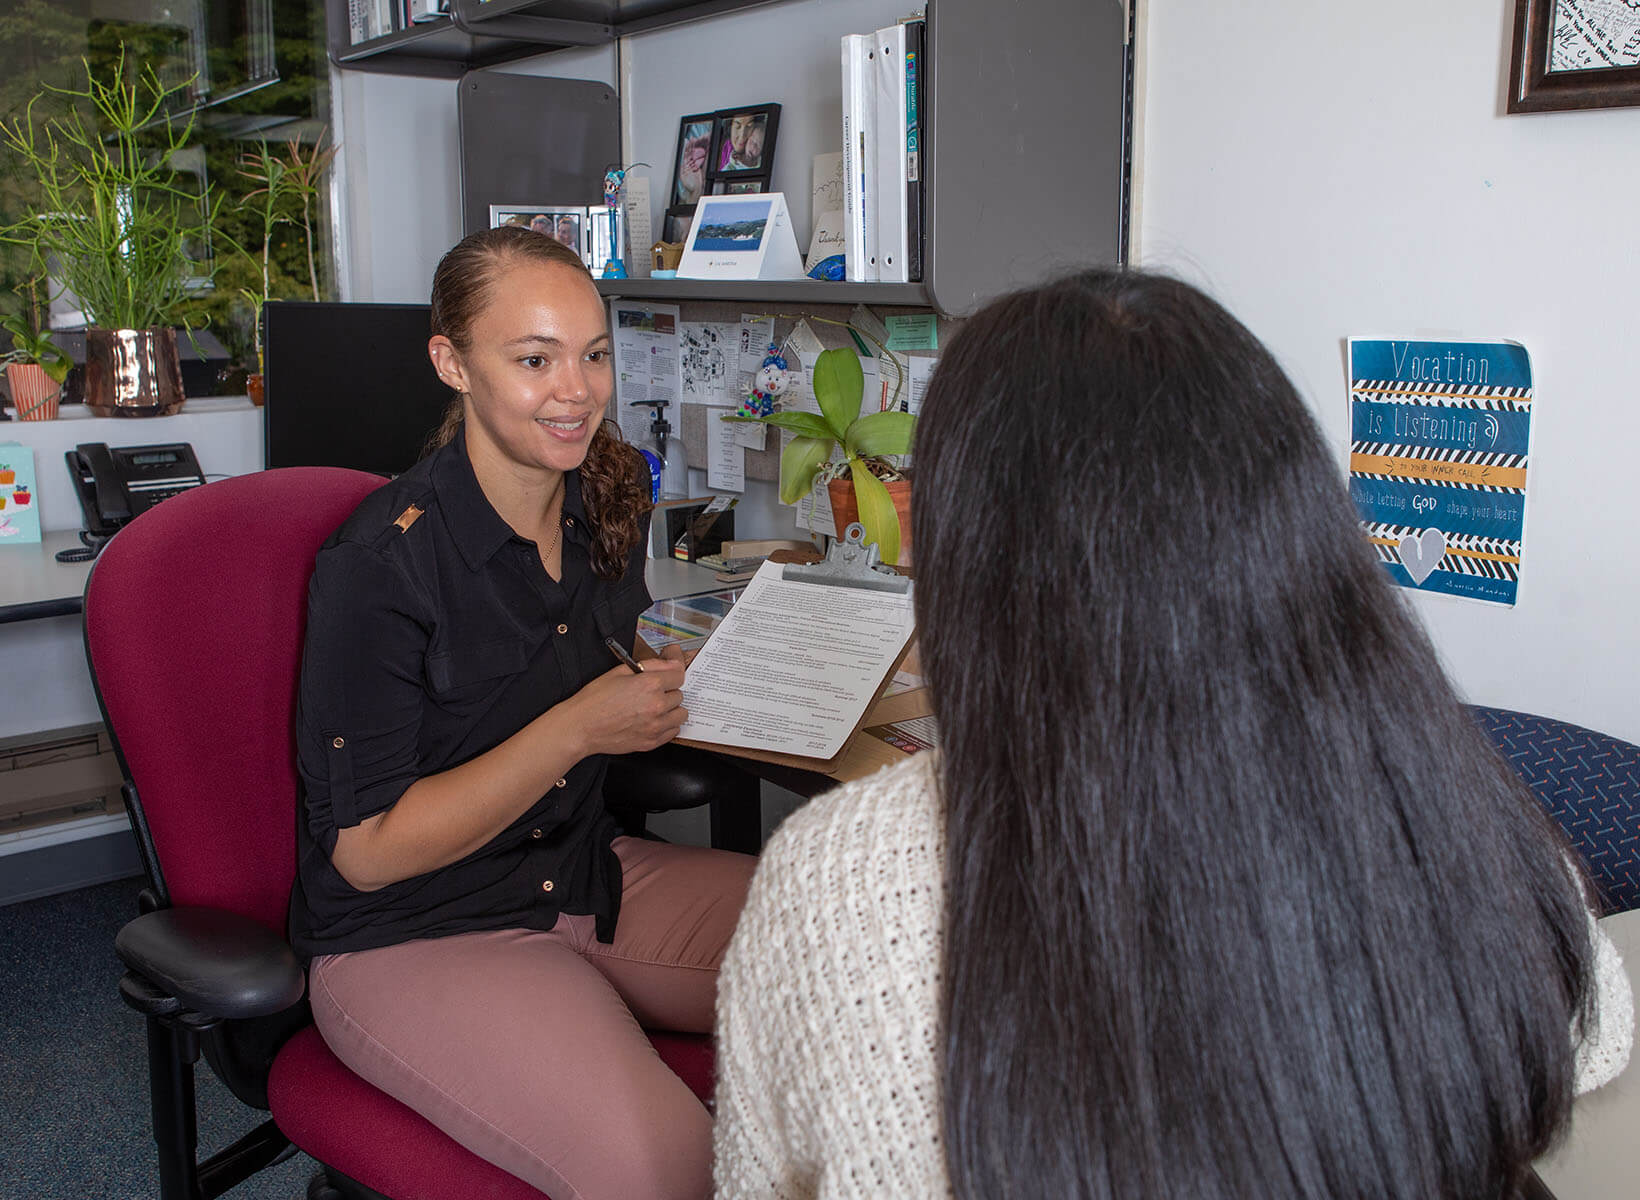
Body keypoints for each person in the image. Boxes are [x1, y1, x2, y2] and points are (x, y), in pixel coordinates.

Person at [712, 269, 1633, 1198]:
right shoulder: (1423, 783)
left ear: (970, 559)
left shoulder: (833, 882)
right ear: (1294, 530)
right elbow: (1598, 1034)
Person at [290, 224, 756, 1200]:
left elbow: (601, 674)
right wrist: (582, 726)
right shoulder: (377, 567)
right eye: (533, 359)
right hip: (418, 933)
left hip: (581, 873)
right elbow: (366, 850)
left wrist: (668, 681)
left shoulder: (600, 501)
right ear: (450, 362)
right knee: (665, 1167)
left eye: (591, 355)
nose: (575, 389)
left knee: (888, 956)